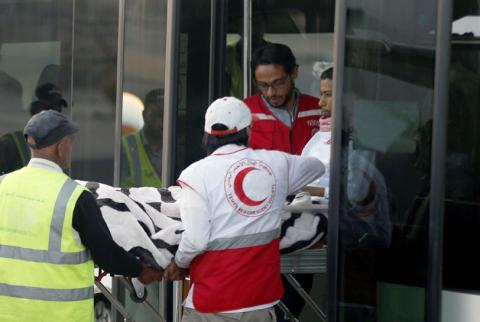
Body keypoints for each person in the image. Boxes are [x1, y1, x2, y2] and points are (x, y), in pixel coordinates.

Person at [163, 97, 324, 322]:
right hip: (260, 302)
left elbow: (196, 241)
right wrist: (281, 184)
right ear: (248, 130)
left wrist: (178, 263)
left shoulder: (194, 175)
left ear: (207, 134)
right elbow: (317, 166)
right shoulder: (277, 164)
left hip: (212, 305)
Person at [0, 110, 163, 322]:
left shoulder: (3, 185)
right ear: (60, 146)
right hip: (61, 316)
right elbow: (107, 254)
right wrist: (140, 269)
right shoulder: (74, 197)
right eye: (71, 142)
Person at [244, 43, 321, 155]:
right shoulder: (245, 112)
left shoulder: (318, 110)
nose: (271, 93)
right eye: (263, 85)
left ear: (294, 73)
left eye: (278, 83)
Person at [0, 83, 68, 175]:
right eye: (47, 108)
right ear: (34, 108)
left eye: (58, 109)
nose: (54, 115)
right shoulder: (10, 144)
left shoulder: (63, 145)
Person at [120, 88, 164, 187]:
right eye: (155, 115)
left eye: (165, 116)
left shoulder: (176, 149)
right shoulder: (125, 145)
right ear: (144, 115)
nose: (161, 122)